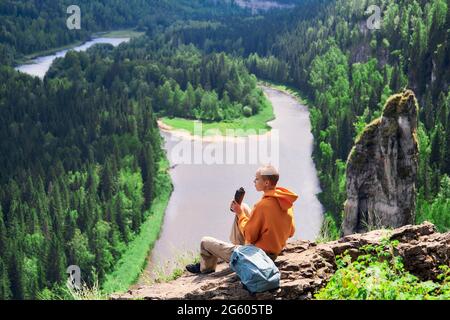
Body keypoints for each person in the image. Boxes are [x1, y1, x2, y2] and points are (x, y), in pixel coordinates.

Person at [186, 164, 298, 274]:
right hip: (274, 252)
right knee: (243, 206)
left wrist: (240, 214)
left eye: (257, 179)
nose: (254, 181)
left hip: (255, 257)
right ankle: (236, 248)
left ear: (266, 183)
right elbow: (291, 232)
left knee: (205, 242)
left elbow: (250, 235)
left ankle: (206, 268)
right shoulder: (285, 202)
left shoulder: (262, 206)